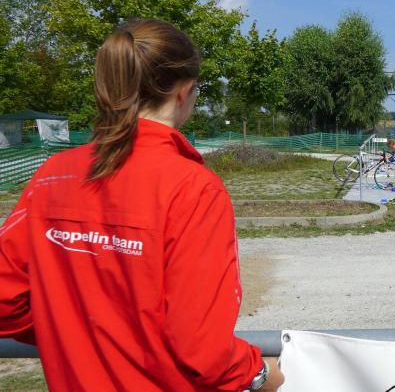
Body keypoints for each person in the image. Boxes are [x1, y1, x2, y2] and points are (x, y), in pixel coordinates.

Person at [0, 20, 284, 391]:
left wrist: (72, 332)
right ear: (184, 91)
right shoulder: (193, 188)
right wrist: (260, 374)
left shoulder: (53, 175)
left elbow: (6, 302)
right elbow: (204, 350)